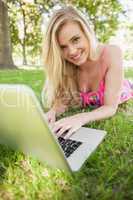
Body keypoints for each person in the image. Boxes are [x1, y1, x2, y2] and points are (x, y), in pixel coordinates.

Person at [42, 6, 133, 139]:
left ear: (86, 32)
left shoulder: (112, 53)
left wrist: (80, 118)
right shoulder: (67, 66)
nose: (72, 51)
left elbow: (110, 108)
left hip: (124, 88)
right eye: (63, 47)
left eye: (75, 39)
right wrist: (52, 112)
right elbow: (62, 101)